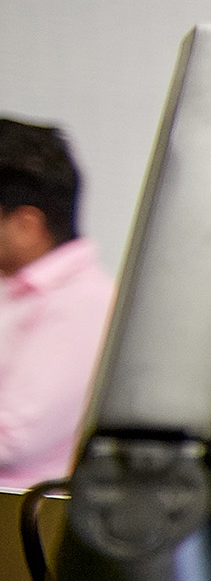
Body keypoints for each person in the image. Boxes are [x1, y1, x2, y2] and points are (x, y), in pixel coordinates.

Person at [0, 121, 112, 491]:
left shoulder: (82, 304)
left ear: (27, 225)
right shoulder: (14, 287)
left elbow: (12, 439)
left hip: (17, 527)